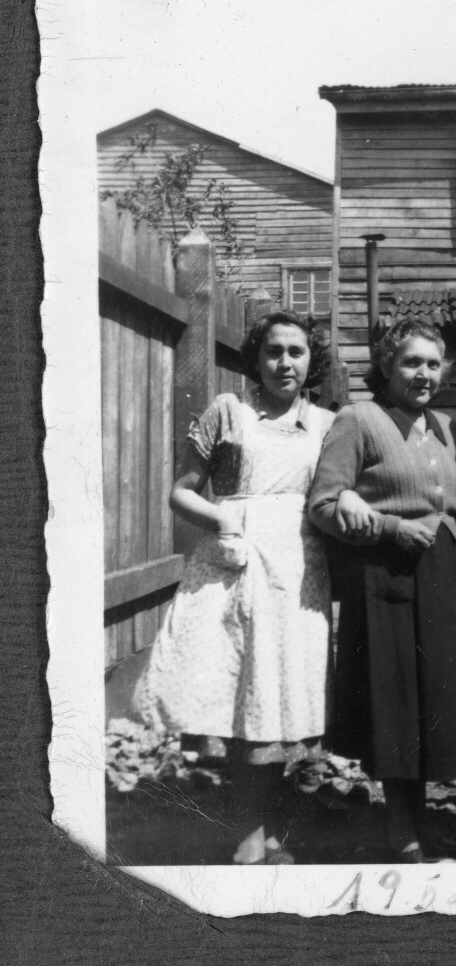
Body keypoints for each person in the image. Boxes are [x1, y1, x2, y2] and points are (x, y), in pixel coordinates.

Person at [134, 312, 334, 865]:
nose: (285, 362)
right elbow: (182, 492)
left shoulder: (324, 424)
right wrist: (224, 520)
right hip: (235, 566)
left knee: (280, 702)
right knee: (242, 698)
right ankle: (250, 830)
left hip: (297, 571)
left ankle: (274, 829)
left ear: (311, 359)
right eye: (274, 351)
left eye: (296, 351)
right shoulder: (230, 411)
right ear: (256, 357)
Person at [308, 317, 456, 864]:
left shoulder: (446, 426)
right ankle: (399, 828)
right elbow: (325, 505)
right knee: (395, 698)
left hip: (441, 575)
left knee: (432, 698)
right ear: (386, 365)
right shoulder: (359, 419)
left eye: (432, 363)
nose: (422, 373)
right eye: (410, 362)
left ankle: (420, 819)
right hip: (383, 575)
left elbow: (455, 504)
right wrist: (389, 528)